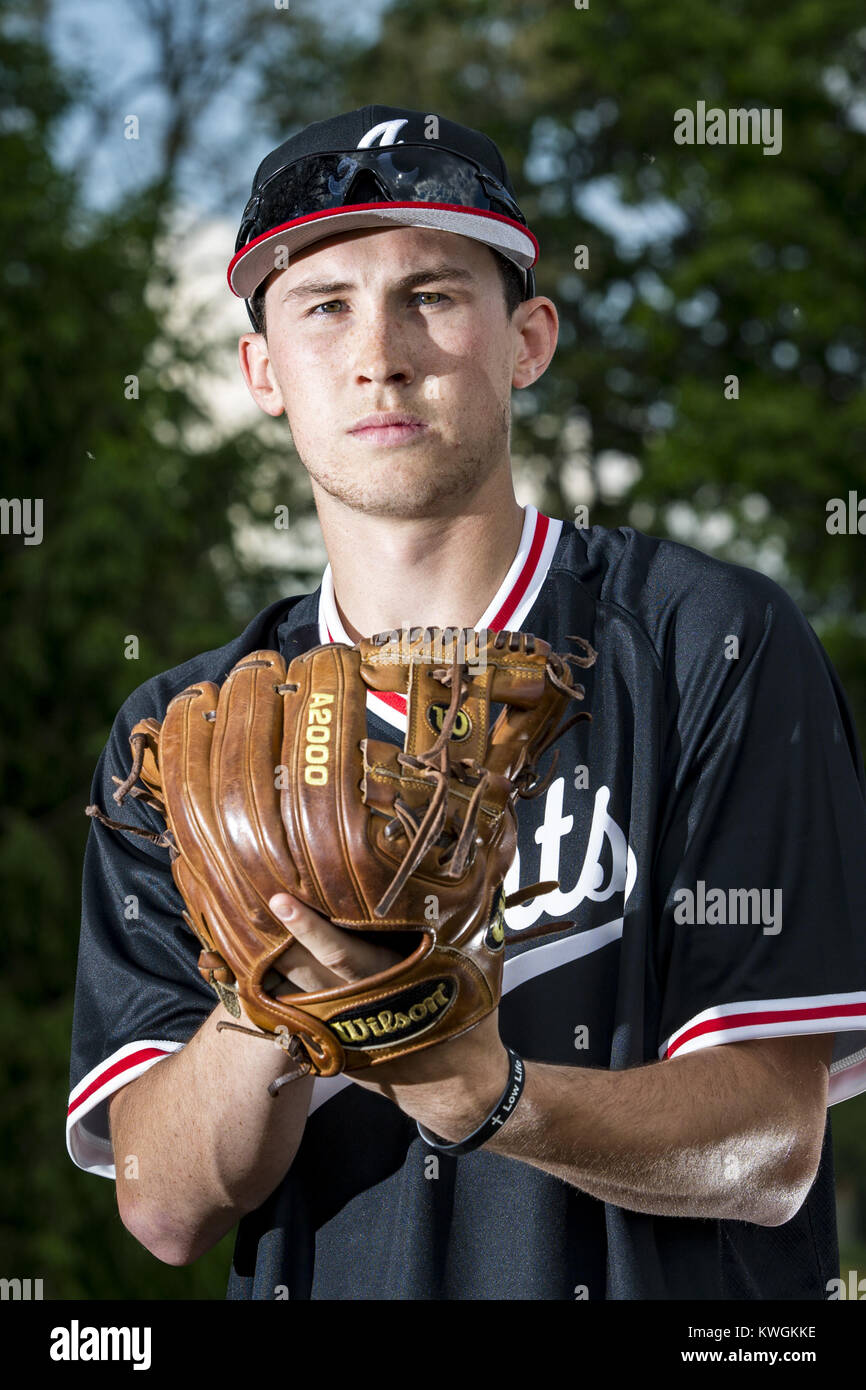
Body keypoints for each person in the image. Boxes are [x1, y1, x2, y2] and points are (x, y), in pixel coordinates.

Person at [68, 105, 866, 1301]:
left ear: (527, 339)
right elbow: (164, 1202)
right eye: (323, 304)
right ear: (261, 369)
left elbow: (767, 1148)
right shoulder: (186, 734)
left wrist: (491, 1096)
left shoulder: (708, 643)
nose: (377, 350)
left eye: (432, 293)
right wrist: (276, 996)